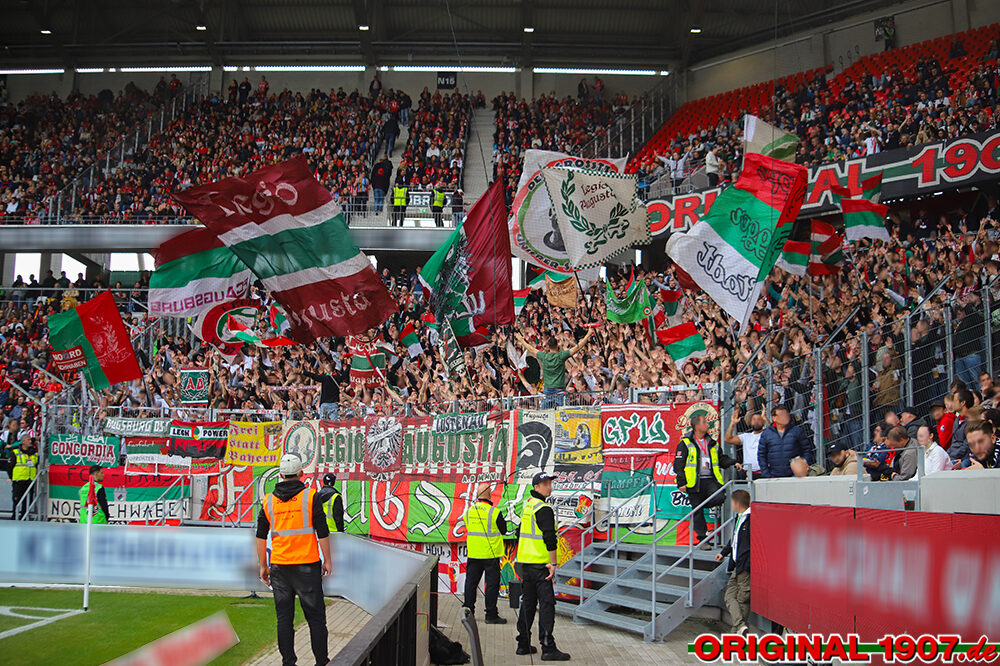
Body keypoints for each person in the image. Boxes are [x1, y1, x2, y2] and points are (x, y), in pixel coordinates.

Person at [256, 454, 332, 666]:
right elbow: (322, 531)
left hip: (280, 568)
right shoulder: (311, 496)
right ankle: (321, 662)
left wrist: (263, 565)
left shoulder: (268, 500)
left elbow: (261, 536)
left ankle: (288, 662)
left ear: (280, 475)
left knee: (284, 620)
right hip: (307, 566)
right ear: (301, 474)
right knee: (316, 619)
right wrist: (327, 560)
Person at [515, 472, 569, 661]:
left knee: (528, 603)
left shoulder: (528, 505)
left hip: (526, 564)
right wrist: (553, 564)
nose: (549, 487)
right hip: (541, 565)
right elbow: (550, 539)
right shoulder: (543, 509)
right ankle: (548, 647)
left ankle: (522, 643)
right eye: (545, 484)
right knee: (547, 605)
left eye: (550, 483)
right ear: (536, 487)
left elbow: (518, 533)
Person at [673, 413, 741, 549]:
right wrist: (681, 482)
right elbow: (678, 465)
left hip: (710, 480)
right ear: (696, 426)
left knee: (719, 497)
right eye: (704, 422)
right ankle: (703, 539)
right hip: (694, 482)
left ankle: (698, 506)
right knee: (697, 511)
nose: (707, 425)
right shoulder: (685, 443)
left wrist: (734, 462)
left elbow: (722, 459)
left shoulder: (712, 443)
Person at [515, 329, 594, 409]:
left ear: (548, 347)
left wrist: (521, 339)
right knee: (563, 414)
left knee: (546, 415)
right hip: (560, 390)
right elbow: (578, 347)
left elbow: (531, 349)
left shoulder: (544, 356)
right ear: (557, 345)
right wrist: (588, 334)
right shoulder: (561, 356)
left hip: (548, 391)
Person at [463, 485, 508, 625]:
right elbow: (504, 530)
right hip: (491, 554)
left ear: (477, 495)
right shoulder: (494, 512)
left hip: (474, 553)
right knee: (492, 585)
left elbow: (468, 526)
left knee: (471, 583)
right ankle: (491, 615)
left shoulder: (469, 512)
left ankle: (468, 613)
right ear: (490, 495)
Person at [715, 489, 751, 636]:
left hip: (744, 565)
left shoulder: (751, 519)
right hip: (737, 563)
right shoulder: (739, 518)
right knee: (730, 596)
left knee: (742, 599)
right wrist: (723, 553)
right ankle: (740, 627)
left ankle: (737, 631)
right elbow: (734, 540)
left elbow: (749, 545)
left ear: (736, 503)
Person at [757, 406, 813, 478]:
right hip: (774, 476)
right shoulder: (766, 434)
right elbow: (761, 455)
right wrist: (767, 474)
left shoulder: (797, 430)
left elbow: (806, 450)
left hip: (795, 476)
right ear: (774, 418)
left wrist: (802, 469)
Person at [724, 407, 764, 479]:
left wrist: (765, 418)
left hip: (763, 472)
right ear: (750, 422)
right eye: (754, 419)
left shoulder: (767, 435)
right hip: (748, 473)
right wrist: (732, 424)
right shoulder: (746, 436)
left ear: (763, 422)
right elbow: (728, 439)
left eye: (759, 419)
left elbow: (775, 432)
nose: (756, 421)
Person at [10, 435, 37, 519]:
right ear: (23, 442)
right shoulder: (15, 452)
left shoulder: (34, 454)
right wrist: (12, 477)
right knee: (17, 499)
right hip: (19, 479)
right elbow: (10, 466)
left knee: (27, 500)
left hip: (30, 480)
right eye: (28, 440)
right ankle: (14, 515)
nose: (30, 441)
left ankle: (24, 515)